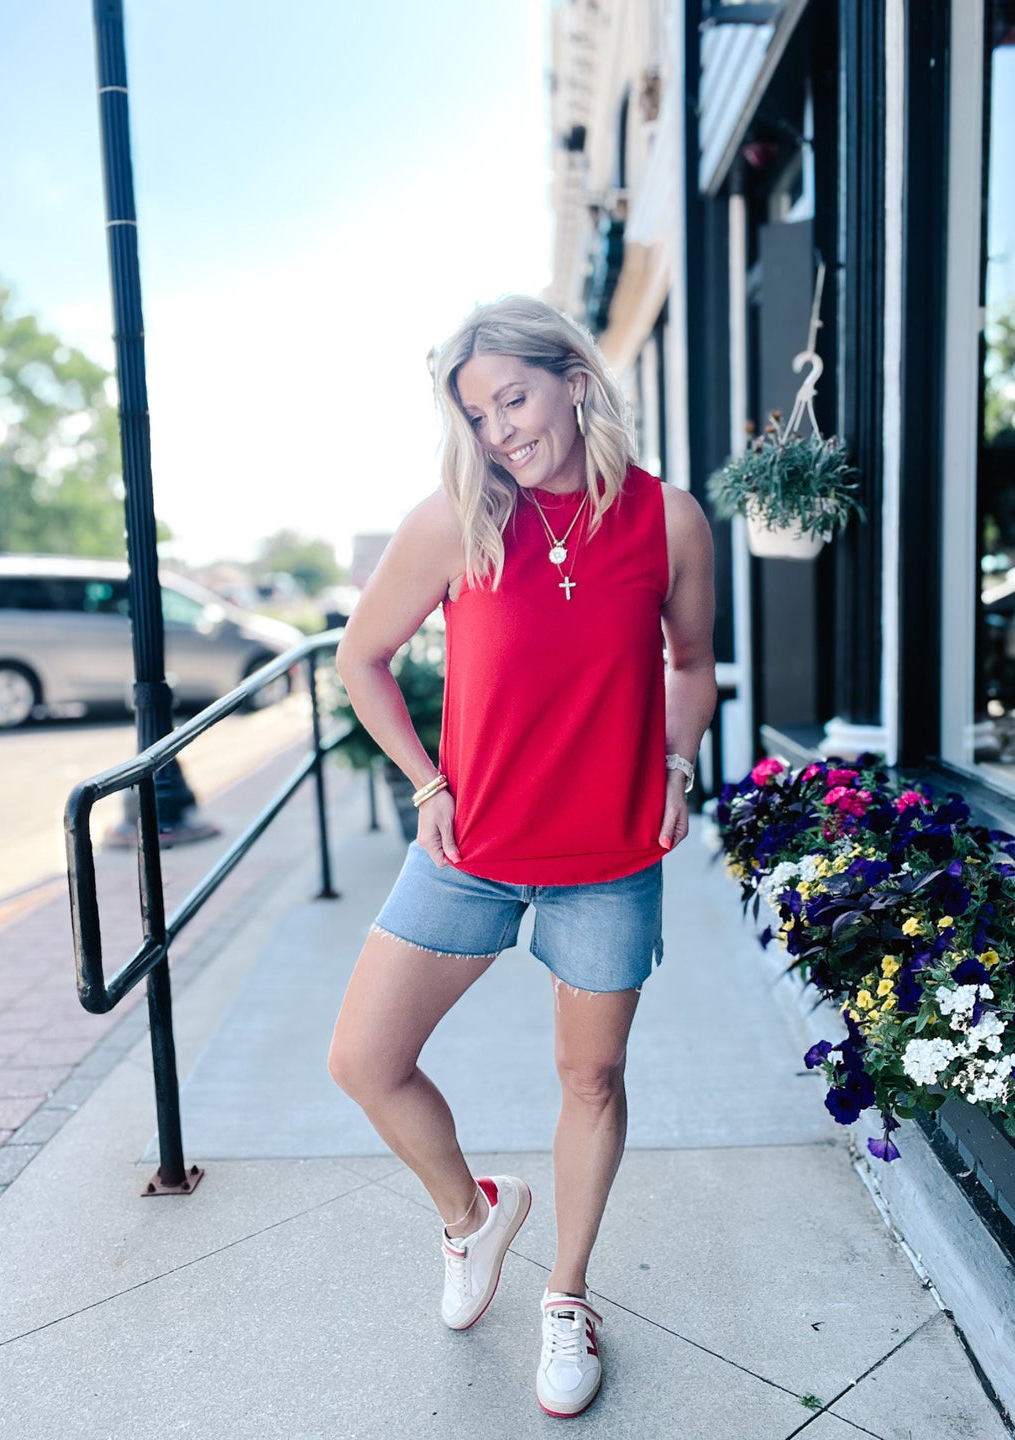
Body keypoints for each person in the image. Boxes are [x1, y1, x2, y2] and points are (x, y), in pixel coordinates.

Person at [328, 294, 717, 1418]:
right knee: (364, 1060)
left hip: (611, 853)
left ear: (574, 384)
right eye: (477, 414)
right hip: (472, 849)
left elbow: (692, 664)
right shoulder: (456, 519)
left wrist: (678, 760)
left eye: (514, 399)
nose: (499, 431)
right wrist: (427, 782)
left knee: (590, 1078)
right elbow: (361, 659)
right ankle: (473, 1215)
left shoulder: (668, 520)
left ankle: (568, 1295)